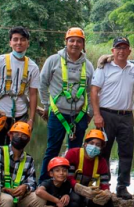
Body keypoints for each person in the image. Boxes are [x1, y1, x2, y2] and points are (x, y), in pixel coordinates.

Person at [90, 38, 134, 200]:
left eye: (124, 48)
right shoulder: (103, 67)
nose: (121, 51)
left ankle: (122, 186)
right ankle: (104, 184)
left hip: (126, 116)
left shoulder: (133, 69)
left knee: (127, 152)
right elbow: (94, 91)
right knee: (103, 151)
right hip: (106, 114)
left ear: (129, 51)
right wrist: (97, 114)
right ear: (112, 51)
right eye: (118, 48)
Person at [39, 28, 94, 176]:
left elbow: (91, 91)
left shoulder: (87, 65)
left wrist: (90, 113)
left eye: (79, 41)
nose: (75, 44)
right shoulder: (54, 60)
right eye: (72, 40)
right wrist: (46, 105)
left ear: (83, 44)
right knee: (52, 149)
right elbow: (43, 83)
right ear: (66, 42)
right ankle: (44, 182)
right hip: (58, 113)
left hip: (79, 114)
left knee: (76, 152)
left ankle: (72, 184)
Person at [0, 26, 40, 148]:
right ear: (10, 42)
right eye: (15, 39)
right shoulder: (0, 61)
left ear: (28, 43)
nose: (19, 42)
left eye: (22, 39)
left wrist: (31, 119)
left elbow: (33, 94)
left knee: (16, 150)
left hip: (20, 115)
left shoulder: (33, 67)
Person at [64, 129, 119, 207]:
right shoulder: (73, 154)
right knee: (76, 200)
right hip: (72, 190)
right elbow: (66, 177)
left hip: (91, 192)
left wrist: (106, 192)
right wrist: (79, 188)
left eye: (98, 145)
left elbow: (104, 183)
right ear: (85, 144)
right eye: (92, 143)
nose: (94, 147)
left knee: (108, 201)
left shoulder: (101, 162)